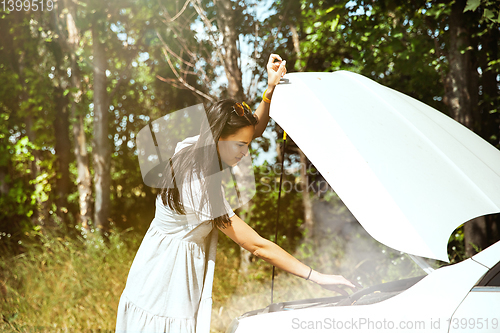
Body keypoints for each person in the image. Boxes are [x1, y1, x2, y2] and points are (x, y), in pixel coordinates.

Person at [115, 54, 355, 333]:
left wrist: (269, 92)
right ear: (218, 138)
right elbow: (257, 245)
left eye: (246, 145)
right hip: (165, 287)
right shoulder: (200, 190)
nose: (245, 152)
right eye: (240, 146)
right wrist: (318, 277)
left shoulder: (193, 146)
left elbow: (253, 129)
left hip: (152, 271)